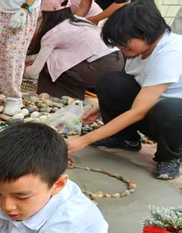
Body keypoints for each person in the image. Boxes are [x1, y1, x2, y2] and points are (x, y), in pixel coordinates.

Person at [67, 0, 182, 180]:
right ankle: (125, 139)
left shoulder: (170, 53)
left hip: (173, 119)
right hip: (154, 109)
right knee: (111, 81)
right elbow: (130, 83)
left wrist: (84, 141)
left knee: (170, 109)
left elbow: (138, 111)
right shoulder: (139, 50)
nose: (121, 47)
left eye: (125, 42)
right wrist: (101, 107)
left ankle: (170, 157)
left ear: (146, 32)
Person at [24, 0, 123, 100]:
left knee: (49, 64)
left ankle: (53, 99)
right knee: (55, 62)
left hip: (102, 66)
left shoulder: (54, 34)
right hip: (117, 60)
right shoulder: (77, 20)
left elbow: (34, 71)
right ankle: (70, 98)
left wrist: (21, 68)